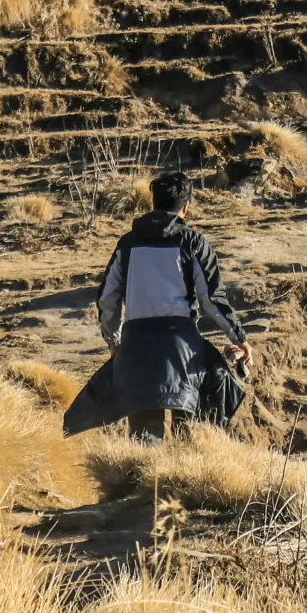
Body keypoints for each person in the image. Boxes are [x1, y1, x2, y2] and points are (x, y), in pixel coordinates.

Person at [90, 170, 249, 441]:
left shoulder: (128, 244)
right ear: (186, 206)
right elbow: (211, 301)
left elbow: (107, 299)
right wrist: (240, 338)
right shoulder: (193, 243)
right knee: (188, 434)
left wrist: (115, 343)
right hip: (181, 347)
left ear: (153, 203)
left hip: (137, 346)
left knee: (143, 439)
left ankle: (141, 483)